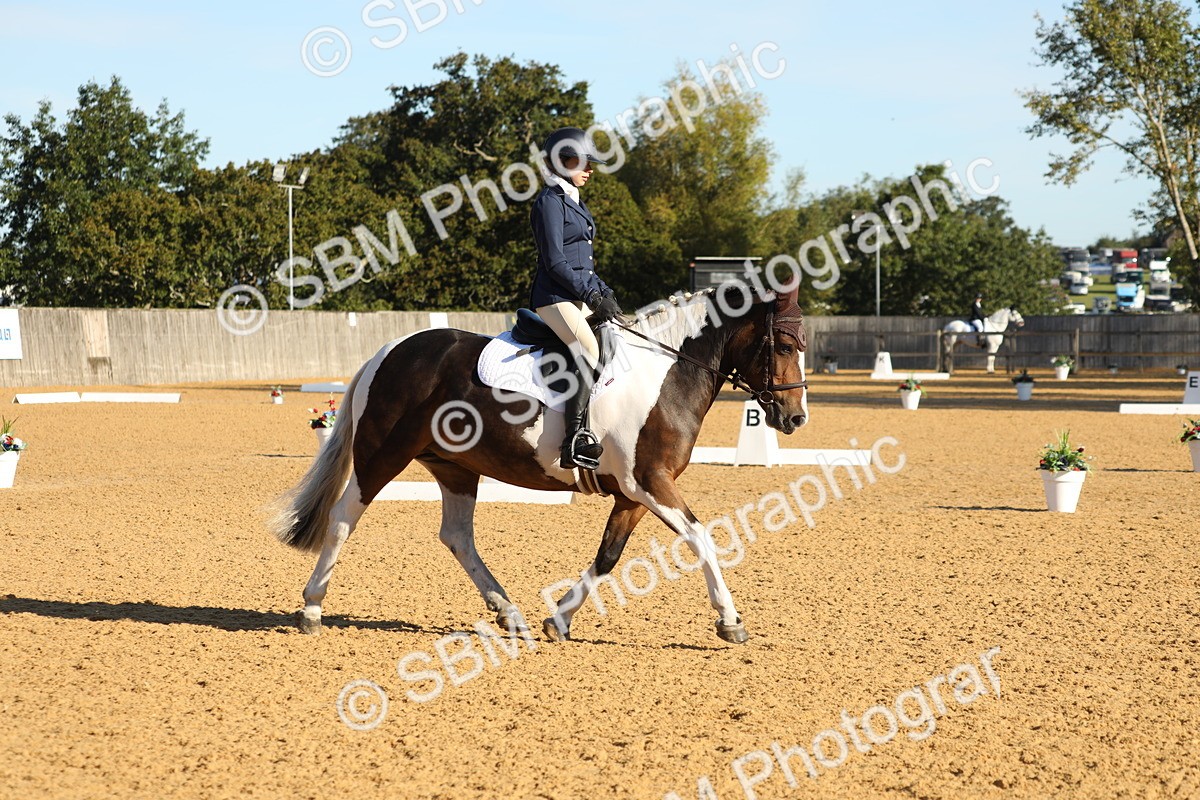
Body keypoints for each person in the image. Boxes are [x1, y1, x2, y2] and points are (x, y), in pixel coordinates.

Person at [529, 127, 622, 469]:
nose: (590, 169)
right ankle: (574, 440)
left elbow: (583, 261)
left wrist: (604, 292)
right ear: (560, 162)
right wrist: (591, 295)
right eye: (583, 162)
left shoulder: (572, 200)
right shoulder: (549, 202)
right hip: (554, 297)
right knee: (588, 348)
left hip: (578, 294)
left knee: (616, 340)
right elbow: (555, 261)